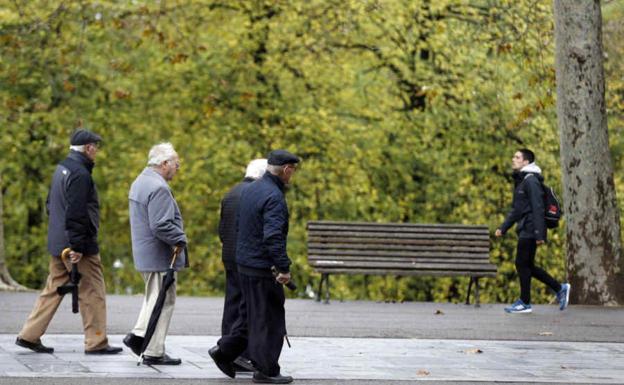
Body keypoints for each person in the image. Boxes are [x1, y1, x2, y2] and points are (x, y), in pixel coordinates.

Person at [16, 129, 122, 355]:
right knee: (93, 290)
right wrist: (77, 246)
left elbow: (50, 205)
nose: (97, 151)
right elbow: (77, 213)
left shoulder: (62, 168)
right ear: (88, 148)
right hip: (76, 246)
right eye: (96, 147)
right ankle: (96, 342)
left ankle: (29, 335)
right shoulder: (81, 174)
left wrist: (61, 237)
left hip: (58, 242)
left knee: (53, 288)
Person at [209, 149, 299, 384]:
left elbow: (238, 228)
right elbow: (273, 237)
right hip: (262, 268)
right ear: (287, 169)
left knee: (249, 316)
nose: (293, 175)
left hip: (244, 264)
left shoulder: (250, 190)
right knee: (269, 319)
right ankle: (267, 370)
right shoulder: (274, 197)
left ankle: (224, 351)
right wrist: (283, 268)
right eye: (293, 171)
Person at [123, 142, 188, 365]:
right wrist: (181, 238)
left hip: (146, 254)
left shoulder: (141, 181)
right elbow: (161, 225)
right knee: (163, 300)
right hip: (159, 256)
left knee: (154, 298)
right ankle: (152, 349)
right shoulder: (158, 187)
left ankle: (140, 336)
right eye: (176, 164)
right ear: (164, 163)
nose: (178, 168)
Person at [495, 148, 570, 314]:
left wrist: (539, 234)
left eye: (517, 157)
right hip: (526, 227)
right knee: (527, 265)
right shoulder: (523, 181)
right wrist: (503, 227)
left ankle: (525, 302)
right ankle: (559, 288)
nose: (513, 159)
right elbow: (517, 210)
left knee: (522, 264)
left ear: (526, 162)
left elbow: (538, 207)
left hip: (530, 229)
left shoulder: (531, 181)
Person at [218, 158, 268, 373]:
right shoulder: (254, 195)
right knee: (248, 307)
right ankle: (239, 354)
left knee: (232, 304)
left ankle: (227, 350)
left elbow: (222, 228)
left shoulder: (231, 193)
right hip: (246, 259)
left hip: (229, 255)